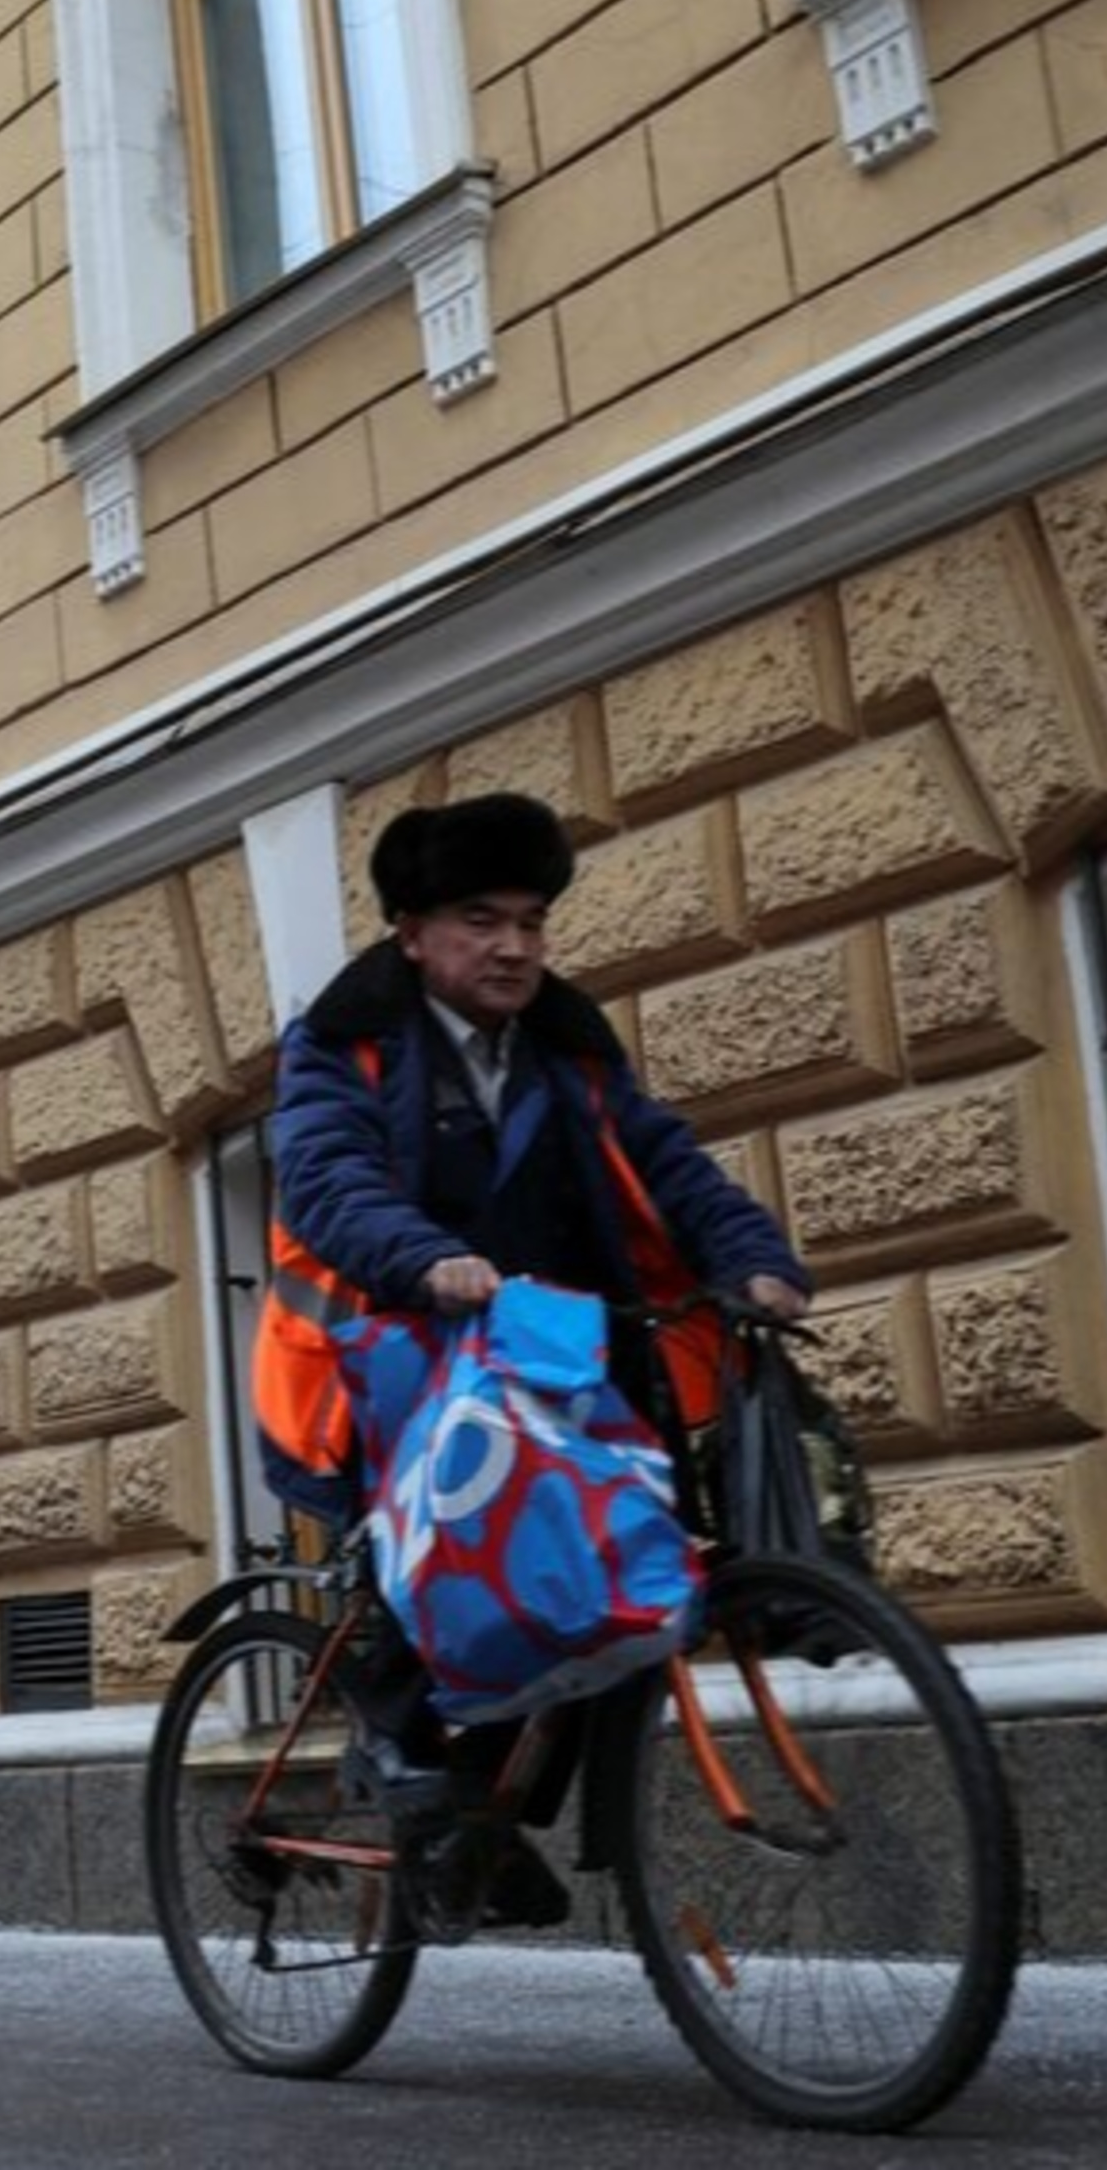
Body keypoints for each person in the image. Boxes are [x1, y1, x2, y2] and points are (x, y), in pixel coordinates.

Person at [251, 792, 810, 1924]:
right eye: (481, 920)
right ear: (413, 933)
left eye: (531, 922)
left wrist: (753, 1259)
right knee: (438, 1551)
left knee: (618, 1576)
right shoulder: (346, 1045)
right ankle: (404, 1756)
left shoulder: (568, 1051)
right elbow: (325, 1176)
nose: (513, 946)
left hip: (555, 1361)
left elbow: (670, 1165)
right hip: (391, 1359)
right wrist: (425, 1257)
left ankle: (487, 1812)